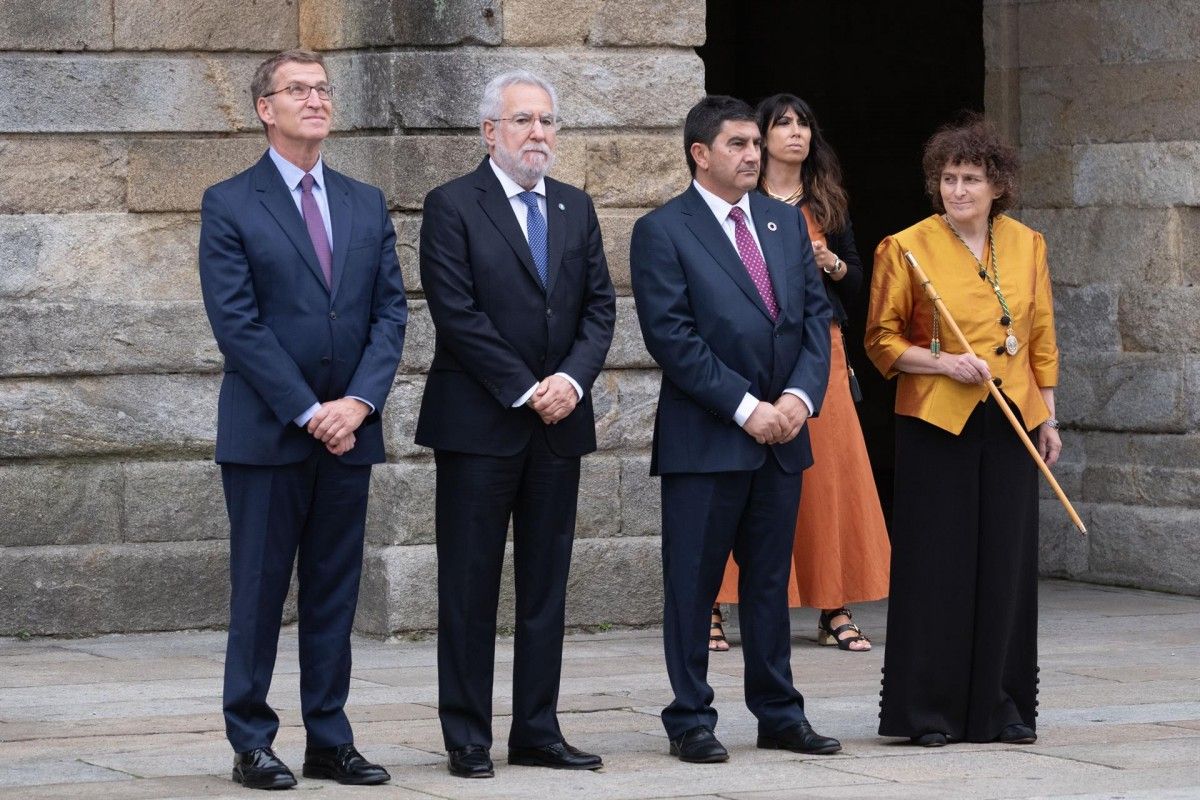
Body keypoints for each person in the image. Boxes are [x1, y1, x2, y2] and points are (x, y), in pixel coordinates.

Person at [199, 49, 407, 789]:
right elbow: (238, 324)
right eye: (298, 90)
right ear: (265, 107)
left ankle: (330, 737)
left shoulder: (363, 200)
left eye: (322, 89)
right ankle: (251, 740)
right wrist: (309, 409)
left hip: (351, 431)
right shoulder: (230, 202)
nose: (315, 100)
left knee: (333, 592)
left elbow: (390, 312)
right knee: (258, 592)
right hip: (268, 434)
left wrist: (358, 403)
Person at [415, 70, 616, 779]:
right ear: (489, 132)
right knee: (469, 588)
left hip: (559, 424)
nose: (539, 134)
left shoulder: (574, 206)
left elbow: (599, 308)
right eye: (524, 120)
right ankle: (467, 736)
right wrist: (526, 387)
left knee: (546, 588)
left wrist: (570, 381)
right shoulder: (451, 205)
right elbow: (457, 313)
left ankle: (537, 729)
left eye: (548, 121)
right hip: (480, 424)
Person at [630, 95, 840, 764]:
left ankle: (779, 712)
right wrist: (751, 408)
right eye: (738, 145)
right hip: (710, 438)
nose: (754, 154)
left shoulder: (783, 223)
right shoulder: (663, 231)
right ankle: (690, 717)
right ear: (701, 153)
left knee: (770, 584)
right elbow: (673, 337)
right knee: (693, 586)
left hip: (785, 437)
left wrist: (802, 400)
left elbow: (814, 320)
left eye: (756, 143)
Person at [865, 114, 1061, 747]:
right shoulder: (906, 247)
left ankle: (1001, 709)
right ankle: (930, 712)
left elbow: (1038, 340)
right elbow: (881, 341)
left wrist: (1048, 416)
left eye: (971, 178)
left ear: (997, 184)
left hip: (1013, 419)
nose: (958, 190)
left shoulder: (1028, 244)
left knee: (1006, 564)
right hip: (936, 421)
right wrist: (945, 361)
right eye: (947, 178)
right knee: (938, 565)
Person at [712, 94, 890, 653]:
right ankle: (712, 602)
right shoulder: (739, 197)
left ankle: (832, 603)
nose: (796, 132)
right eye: (782, 123)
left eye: (804, 123)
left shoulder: (826, 203)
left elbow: (857, 281)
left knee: (828, 476)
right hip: (754, 347)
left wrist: (829, 262)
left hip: (821, 347)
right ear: (759, 137)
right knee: (733, 471)